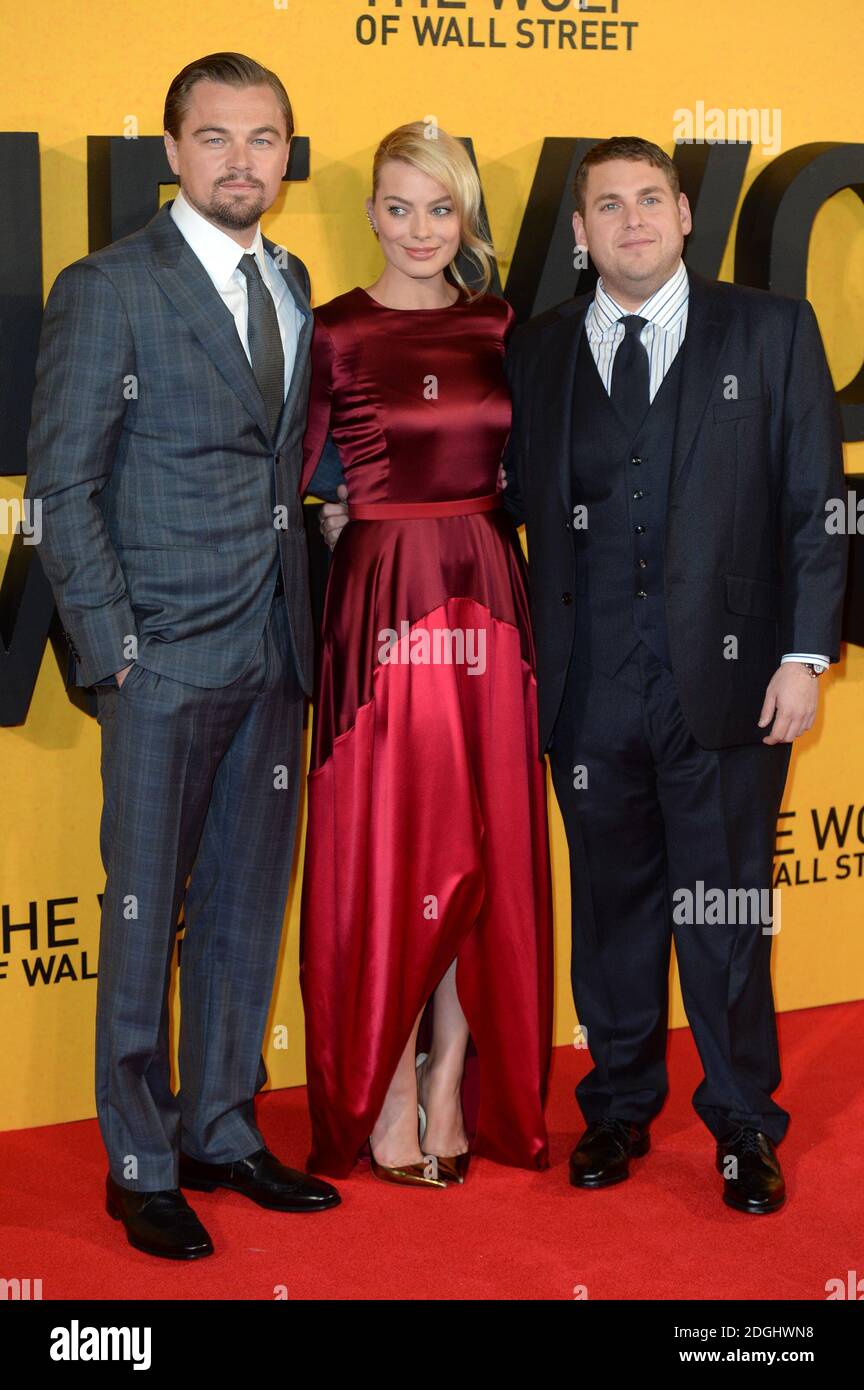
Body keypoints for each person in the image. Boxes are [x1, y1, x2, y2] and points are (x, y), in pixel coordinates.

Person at [23, 52, 340, 1260]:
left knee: (245, 909)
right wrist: (116, 653)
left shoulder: (294, 277)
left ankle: (219, 1126)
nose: (243, 161)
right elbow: (62, 481)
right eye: (217, 139)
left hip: (274, 645)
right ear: (172, 152)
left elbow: (278, 452)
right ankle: (141, 1158)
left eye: (264, 139)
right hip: (159, 658)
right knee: (145, 912)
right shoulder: (109, 287)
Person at [500, 136, 848, 1213]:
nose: (633, 220)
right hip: (590, 685)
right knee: (613, 913)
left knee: (726, 911)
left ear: (686, 215)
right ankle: (617, 1106)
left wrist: (804, 655)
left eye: (651, 199)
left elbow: (815, 506)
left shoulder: (771, 329)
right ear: (579, 231)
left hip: (734, 685)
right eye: (608, 205)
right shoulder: (542, 349)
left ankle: (744, 1123)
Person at [299, 121, 554, 1187]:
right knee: (396, 848)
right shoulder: (332, 332)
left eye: (438, 208)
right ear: (369, 214)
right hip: (384, 601)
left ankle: (452, 1079)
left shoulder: (503, 324)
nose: (416, 229)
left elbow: (547, 465)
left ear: (466, 218)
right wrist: (327, 517)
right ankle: (389, 1085)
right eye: (396, 206)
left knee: (484, 854)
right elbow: (298, 475)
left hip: (487, 589)